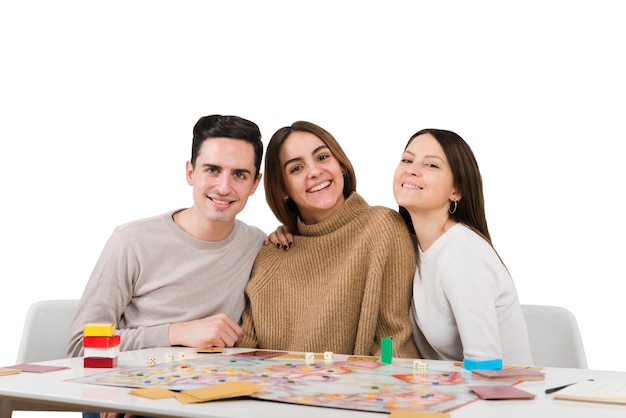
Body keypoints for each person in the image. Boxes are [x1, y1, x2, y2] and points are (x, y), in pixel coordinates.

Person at [67, 114, 266, 358]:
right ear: (190, 172)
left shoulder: (257, 245)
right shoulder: (132, 241)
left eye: (239, 175)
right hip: (134, 388)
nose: (224, 187)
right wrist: (175, 333)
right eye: (212, 170)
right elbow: (81, 346)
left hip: (215, 387)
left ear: (255, 184)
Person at [239, 121, 419, 358]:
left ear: (341, 166)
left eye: (322, 157)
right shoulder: (272, 254)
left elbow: (391, 338)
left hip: (363, 390)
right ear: (282, 189)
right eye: (296, 169)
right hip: (279, 391)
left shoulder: (383, 227)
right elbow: (247, 352)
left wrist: (379, 380)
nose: (314, 172)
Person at [393, 128, 532, 365]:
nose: (411, 170)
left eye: (431, 165)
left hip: (501, 396)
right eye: (407, 159)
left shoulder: (463, 255)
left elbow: (485, 365)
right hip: (445, 391)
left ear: (456, 190)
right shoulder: (408, 246)